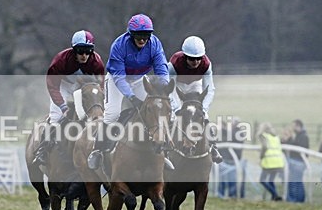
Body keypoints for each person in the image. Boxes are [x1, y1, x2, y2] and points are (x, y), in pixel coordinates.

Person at [88, 13, 170, 169]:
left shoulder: (155, 44)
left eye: (145, 35)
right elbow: (119, 78)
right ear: (130, 34)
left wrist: (163, 89)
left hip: (139, 79)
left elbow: (161, 69)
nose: (141, 39)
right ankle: (97, 150)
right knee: (112, 113)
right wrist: (131, 97)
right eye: (138, 35)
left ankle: (163, 151)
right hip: (116, 80)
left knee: (156, 110)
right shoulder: (119, 46)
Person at [32, 30, 105, 166]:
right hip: (62, 86)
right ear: (73, 50)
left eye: (88, 51)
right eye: (80, 51)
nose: (84, 55)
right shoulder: (61, 60)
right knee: (56, 116)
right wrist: (63, 106)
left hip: (84, 87)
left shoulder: (97, 62)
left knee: (93, 117)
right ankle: (43, 149)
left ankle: (97, 148)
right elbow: (53, 86)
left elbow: (100, 87)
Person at [167, 35, 222, 163]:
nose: (196, 62)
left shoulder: (206, 64)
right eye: (192, 59)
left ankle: (214, 147)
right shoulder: (174, 63)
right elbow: (170, 89)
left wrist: (203, 109)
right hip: (177, 86)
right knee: (172, 116)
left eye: (198, 59)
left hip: (195, 85)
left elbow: (210, 89)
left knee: (204, 116)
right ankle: (166, 149)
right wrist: (176, 109)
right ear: (185, 56)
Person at [258, 122, 284, 201]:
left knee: (262, 180)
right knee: (270, 180)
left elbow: (265, 147)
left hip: (269, 162)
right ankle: (274, 197)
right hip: (278, 162)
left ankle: (275, 195)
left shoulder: (264, 136)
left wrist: (261, 157)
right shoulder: (276, 137)